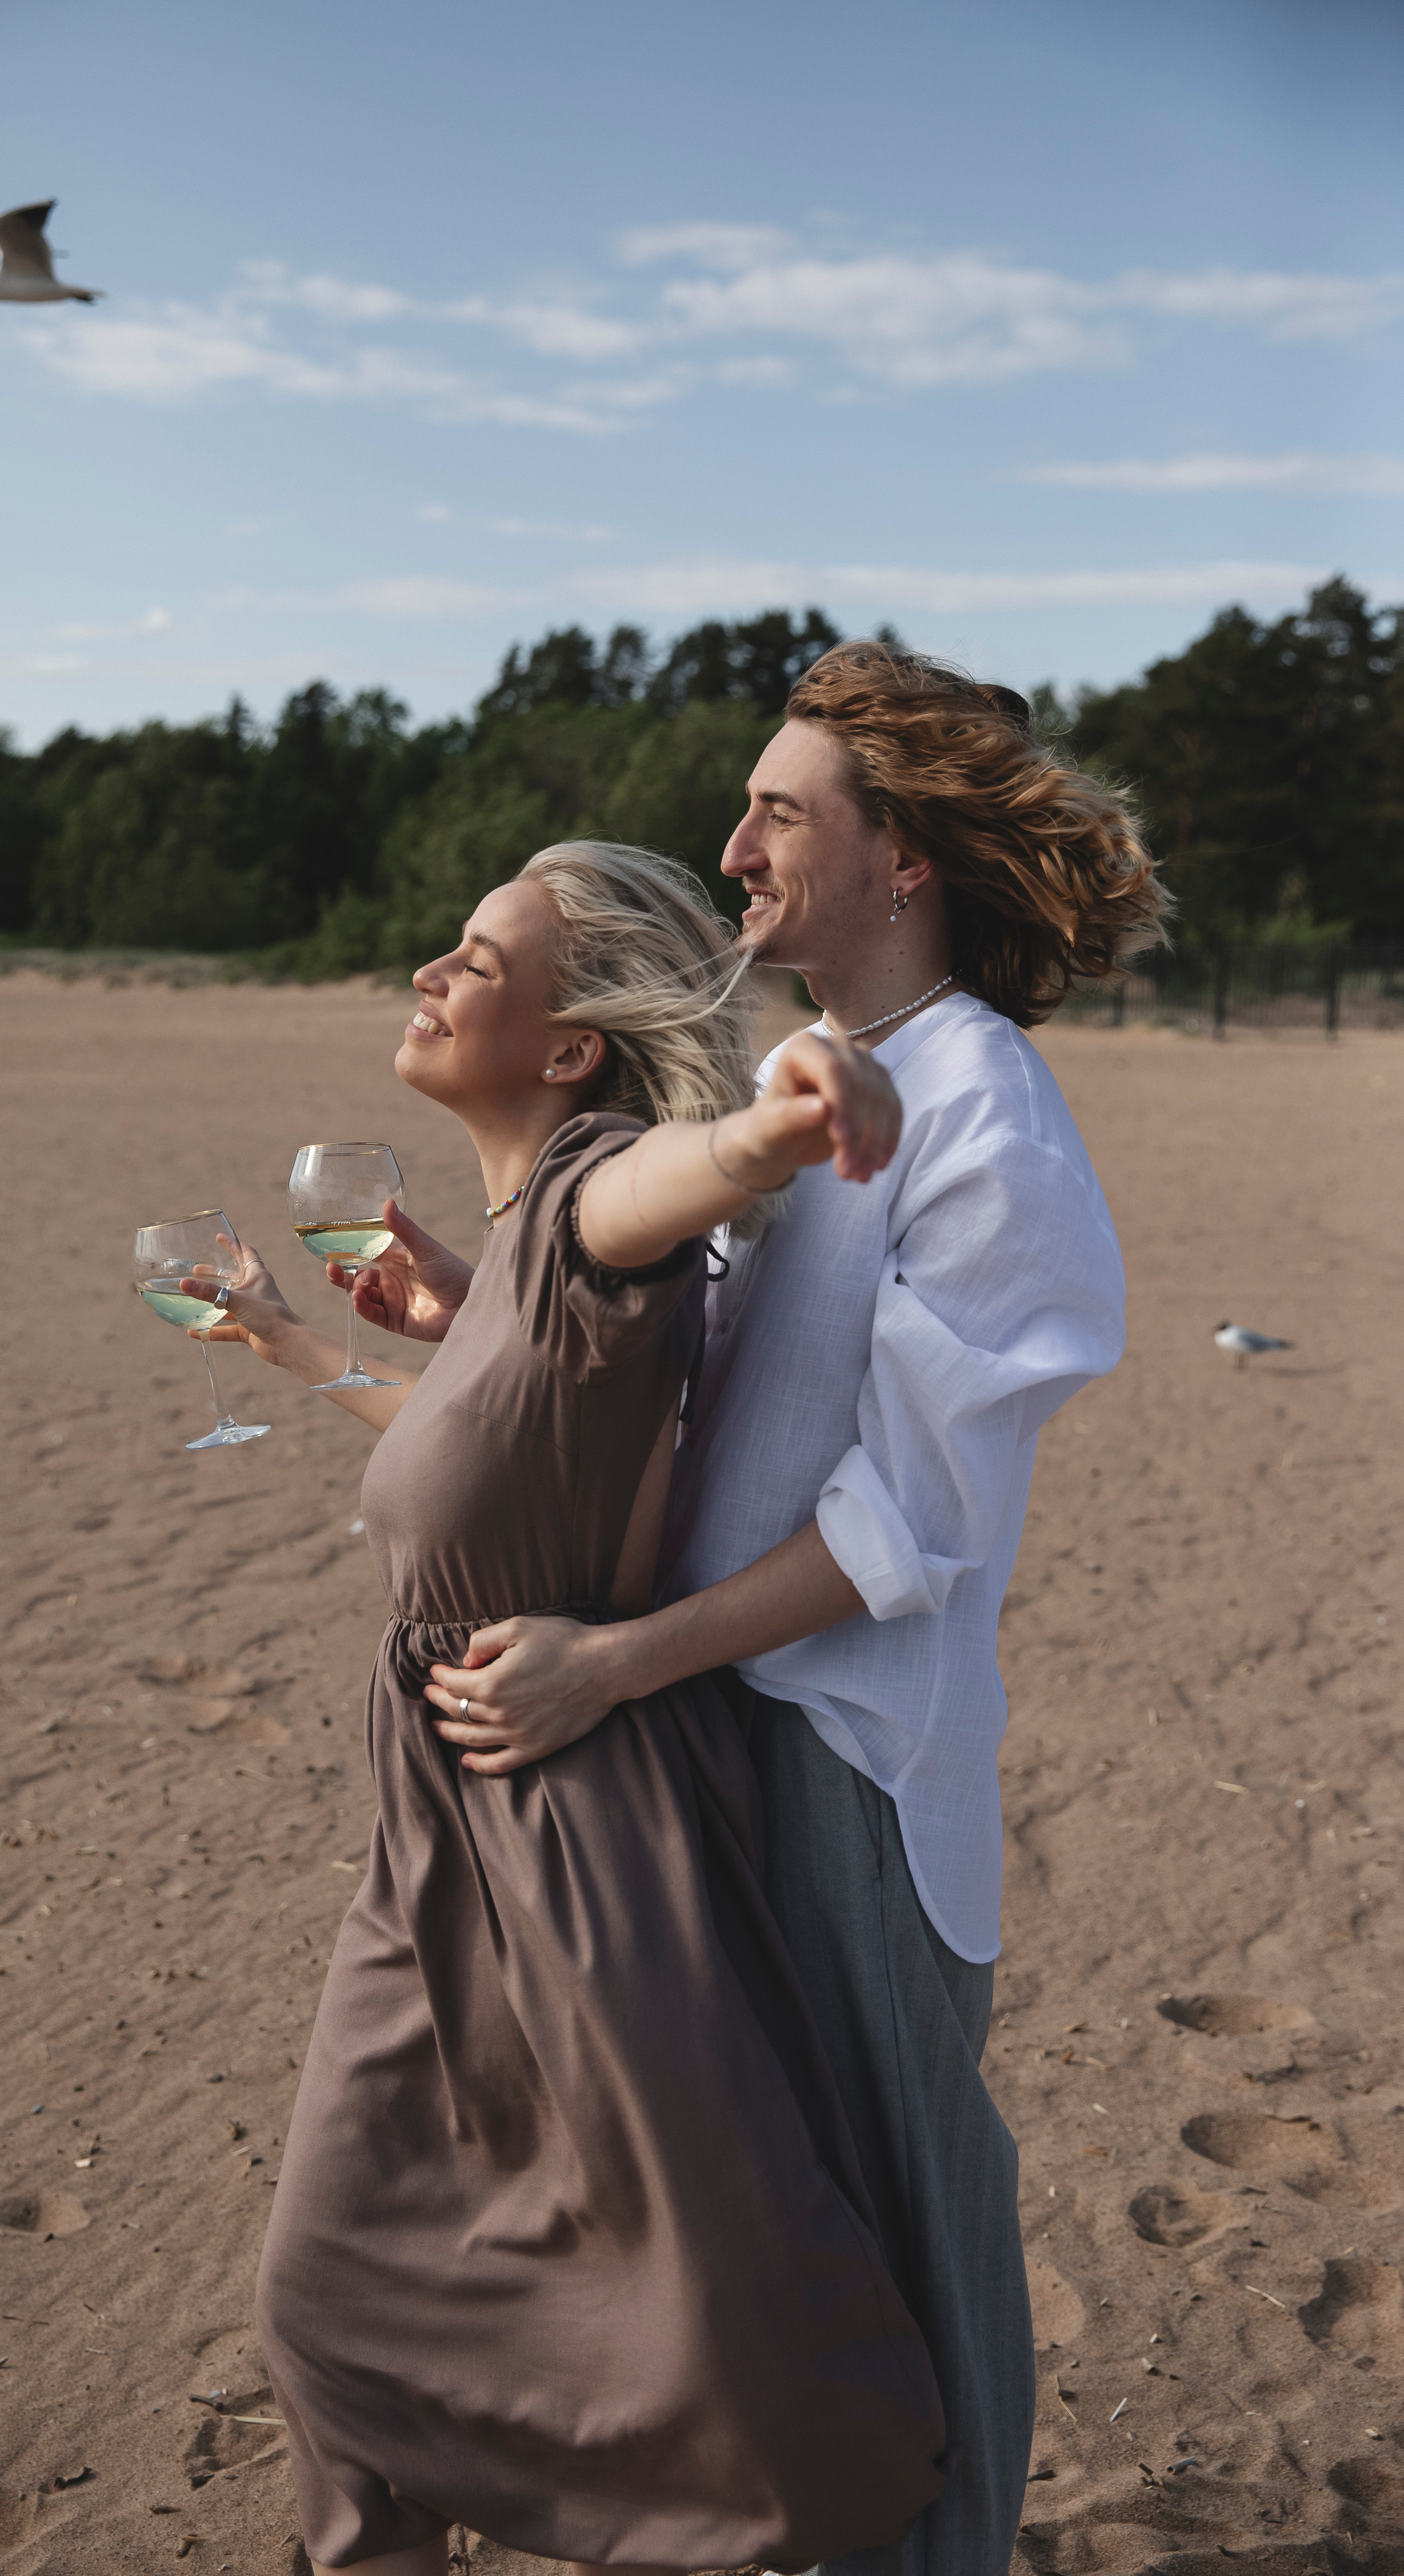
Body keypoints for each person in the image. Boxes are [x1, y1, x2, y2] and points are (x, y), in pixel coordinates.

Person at [348, 644, 1169, 2576]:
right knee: (769, 2236)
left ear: (906, 862)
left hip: (850, 1767)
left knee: (896, 2209)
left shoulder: (989, 1117)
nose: (732, 849)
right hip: (710, 1739)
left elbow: (908, 1533)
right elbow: (729, 1402)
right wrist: (480, 1310)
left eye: (780, 814)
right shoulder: (808, 1103)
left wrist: (615, 1659)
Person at [183, 840, 946, 2576]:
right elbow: (475, 1457)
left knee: (691, 2315)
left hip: (569, 1825)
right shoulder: (521, 1245)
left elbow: (689, 1171)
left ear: (569, 1046)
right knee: (344, 2298)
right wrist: (296, 1351)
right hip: (437, 1832)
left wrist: (781, 1117)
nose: (432, 976)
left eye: (475, 959)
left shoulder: (599, 1192)